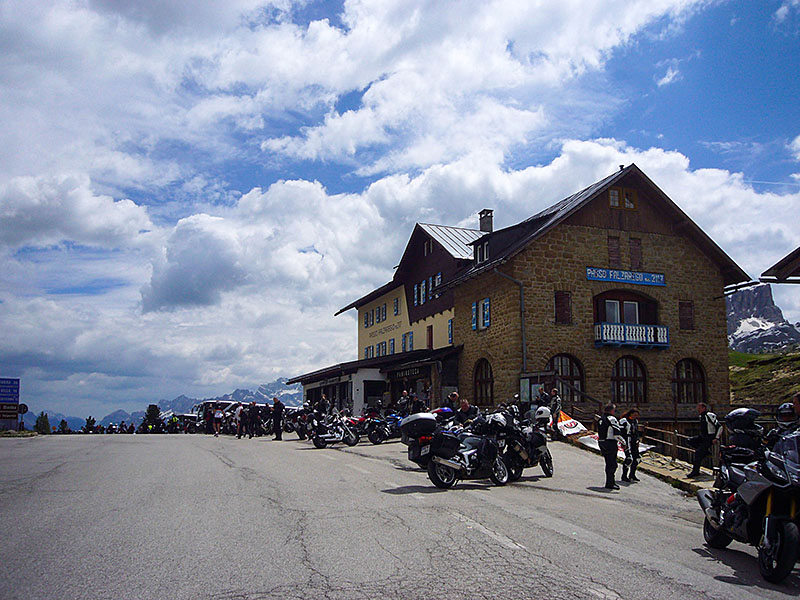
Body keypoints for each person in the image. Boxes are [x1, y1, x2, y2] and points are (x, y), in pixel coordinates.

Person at [688, 402, 722, 477]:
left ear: (704, 408)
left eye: (699, 408)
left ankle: (695, 471)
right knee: (690, 440)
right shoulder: (701, 416)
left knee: (698, 454)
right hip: (702, 437)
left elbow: (720, 427)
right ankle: (705, 452)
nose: (698, 410)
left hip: (709, 437)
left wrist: (716, 438)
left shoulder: (709, 415)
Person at [598, 403, 623, 490]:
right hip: (610, 442)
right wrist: (624, 443)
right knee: (613, 464)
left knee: (608, 463)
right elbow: (617, 434)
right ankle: (610, 483)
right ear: (612, 410)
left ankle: (609, 482)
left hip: (601, 442)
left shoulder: (601, 419)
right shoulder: (611, 419)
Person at [619, 408, 641, 482]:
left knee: (637, 458)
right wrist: (623, 442)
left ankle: (632, 474)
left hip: (634, 441)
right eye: (634, 415)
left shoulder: (635, 421)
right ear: (630, 414)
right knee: (629, 458)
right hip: (627, 440)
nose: (635, 416)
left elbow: (636, 432)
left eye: (636, 415)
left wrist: (638, 440)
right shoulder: (624, 421)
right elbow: (621, 432)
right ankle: (624, 476)